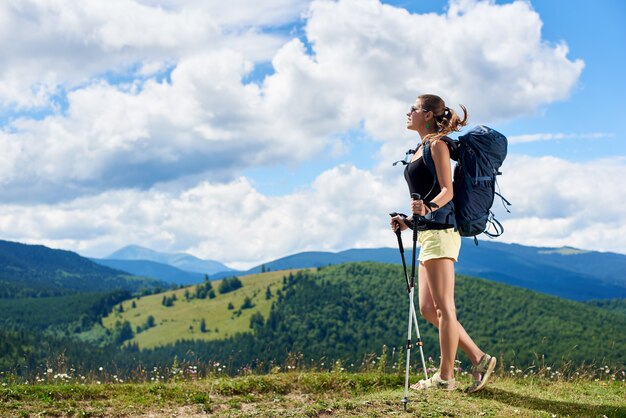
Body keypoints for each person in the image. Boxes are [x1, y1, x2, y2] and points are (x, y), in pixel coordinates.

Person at [390, 94, 496, 392]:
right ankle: (479, 358)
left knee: (444, 309)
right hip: (427, 232)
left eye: (413, 108)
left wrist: (428, 209)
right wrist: (409, 220)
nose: (407, 112)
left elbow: (447, 191)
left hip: (441, 232)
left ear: (426, 115)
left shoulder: (437, 145)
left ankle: (445, 377)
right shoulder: (418, 148)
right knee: (427, 309)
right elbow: (425, 195)